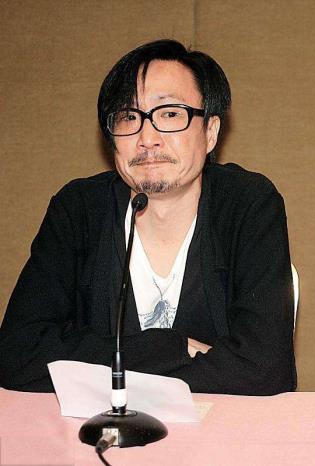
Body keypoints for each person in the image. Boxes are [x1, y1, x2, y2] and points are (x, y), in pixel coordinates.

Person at [0, 40, 296, 395]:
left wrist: (103, 367)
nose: (147, 138)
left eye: (170, 114)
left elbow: (266, 370)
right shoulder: (78, 209)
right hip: (100, 426)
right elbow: (17, 357)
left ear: (210, 132)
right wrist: (171, 348)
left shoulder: (248, 204)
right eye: (129, 117)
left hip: (220, 427)